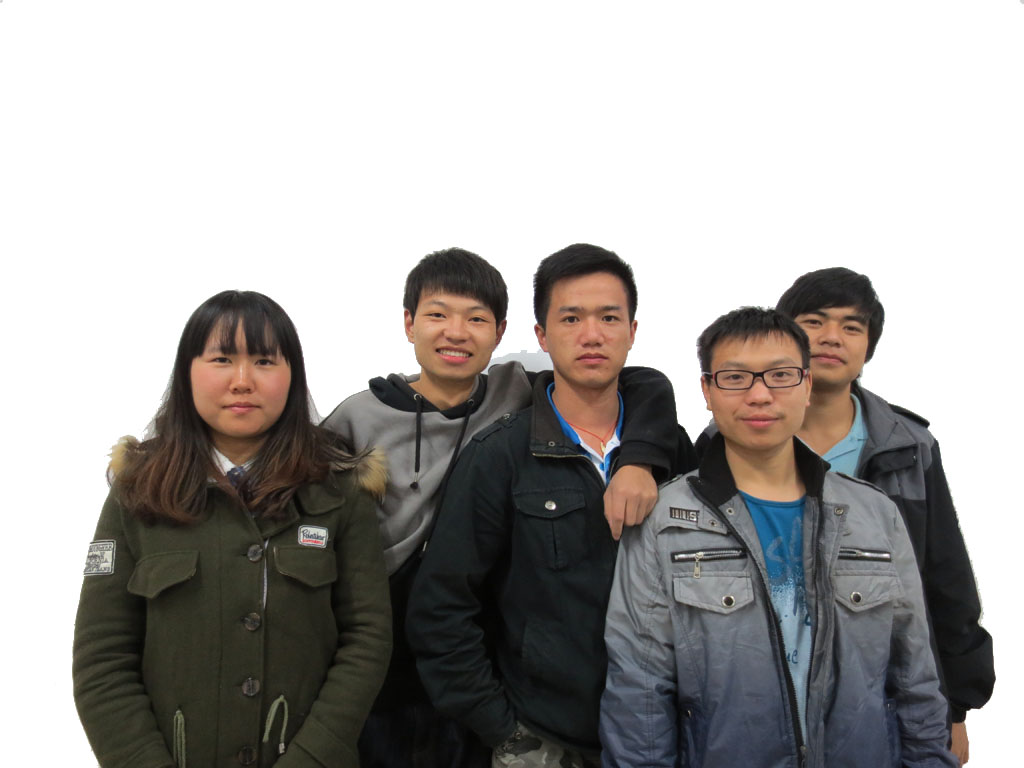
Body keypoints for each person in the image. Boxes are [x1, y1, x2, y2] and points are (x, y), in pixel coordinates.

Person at [322, 247, 687, 768]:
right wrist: (508, 735)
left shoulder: (520, 392)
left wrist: (641, 457)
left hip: (646, 717)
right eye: (438, 314)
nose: (456, 332)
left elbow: (639, 382)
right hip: (388, 665)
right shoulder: (361, 419)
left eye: (476, 319)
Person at [601, 307, 956, 767]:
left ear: (807, 385)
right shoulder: (664, 521)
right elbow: (639, 689)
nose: (759, 395)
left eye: (781, 375)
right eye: (735, 378)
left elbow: (915, 677)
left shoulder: (874, 514)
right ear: (707, 391)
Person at [73, 290, 391, 768]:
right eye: (222, 359)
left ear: (292, 375)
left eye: (264, 361)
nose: (243, 381)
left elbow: (367, 639)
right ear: (187, 371)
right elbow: (101, 658)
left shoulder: (339, 486)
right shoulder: (139, 489)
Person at [775, 268, 993, 764]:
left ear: (868, 346)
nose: (832, 337)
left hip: (882, 697)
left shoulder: (908, 446)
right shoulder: (729, 440)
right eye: (814, 322)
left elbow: (945, 578)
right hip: (763, 690)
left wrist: (955, 708)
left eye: (852, 327)